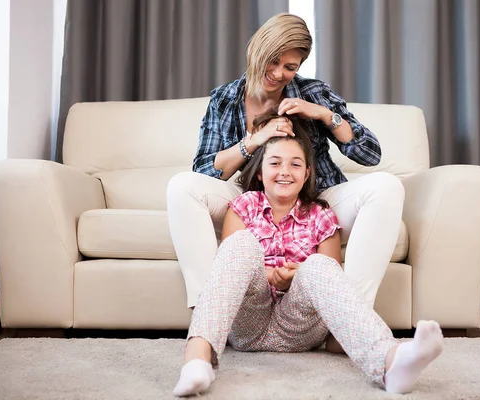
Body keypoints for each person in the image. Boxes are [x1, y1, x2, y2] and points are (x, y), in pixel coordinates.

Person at [172, 112, 444, 397]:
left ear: (307, 174)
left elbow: (330, 277)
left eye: (295, 164)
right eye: (275, 163)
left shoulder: (321, 214)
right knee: (239, 244)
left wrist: (294, 277)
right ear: (261, 172)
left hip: (299, 328)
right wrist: (270, 276)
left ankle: (390, 362)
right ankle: (197, 360)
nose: (285, 171)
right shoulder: (243, 205)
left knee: (317, 265)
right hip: (247, 324)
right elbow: (228, 271)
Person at [166, 12, 404, 318]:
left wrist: (323, 115)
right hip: (251, 201)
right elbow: (204, 170)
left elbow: (370, 154)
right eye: (273, 61)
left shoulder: (313, 93)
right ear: (256, 52)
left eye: (290, 67)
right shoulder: (225, 100)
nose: (278, 74)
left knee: (387, 186)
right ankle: (209, 314)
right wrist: (254, 139)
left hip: (317, 200)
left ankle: (349, 318)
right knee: (181, 186)